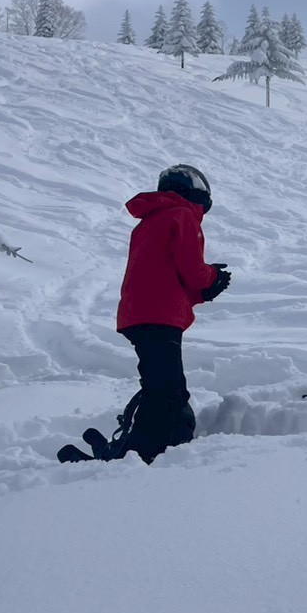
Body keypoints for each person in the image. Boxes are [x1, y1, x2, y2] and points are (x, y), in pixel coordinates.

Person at [111, 164, 231, 463]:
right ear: (197, 194)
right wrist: (211, 278)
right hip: (159, 317)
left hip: (141, 314)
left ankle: (162, 445)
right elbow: (191, 270)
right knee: (167, 391)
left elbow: (163, 277)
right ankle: (148, 454)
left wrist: (204, 290)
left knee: (162, 386)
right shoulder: (182, 215)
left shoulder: (150, 221)